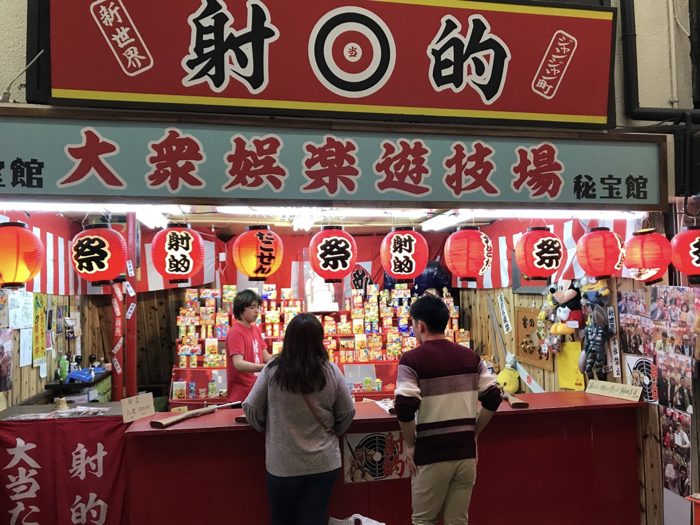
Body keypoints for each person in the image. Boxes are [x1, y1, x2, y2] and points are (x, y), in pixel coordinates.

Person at [394, 295, 502, 525]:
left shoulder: (411, 360)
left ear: (420, 325)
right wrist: (473, 433)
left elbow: (404, 407)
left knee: (424, 520)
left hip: (431, 454)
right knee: (458, 521)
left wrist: (410, 444)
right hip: (465, 455)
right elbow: (494, 397)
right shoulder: (471, 358)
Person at [243, 313, 355, 525]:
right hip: (323, 461)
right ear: (319, 339)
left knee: (282, 519)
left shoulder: (272, 370)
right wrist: (335, 431)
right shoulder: (330, 370)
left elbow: (251, 408)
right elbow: (347, 411)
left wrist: (268, 427)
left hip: (283, 463)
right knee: (315, 519)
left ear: (288, 339)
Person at [226, 290, 272, 403]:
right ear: (241, 309)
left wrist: (284, 359)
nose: (257, 311)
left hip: (257, 392)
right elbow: (238, 364)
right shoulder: (235, 332)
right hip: (242, 396)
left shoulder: (255, 329)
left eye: (258, 307)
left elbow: (266, 357)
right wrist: (264, 368)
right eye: (252, 307)